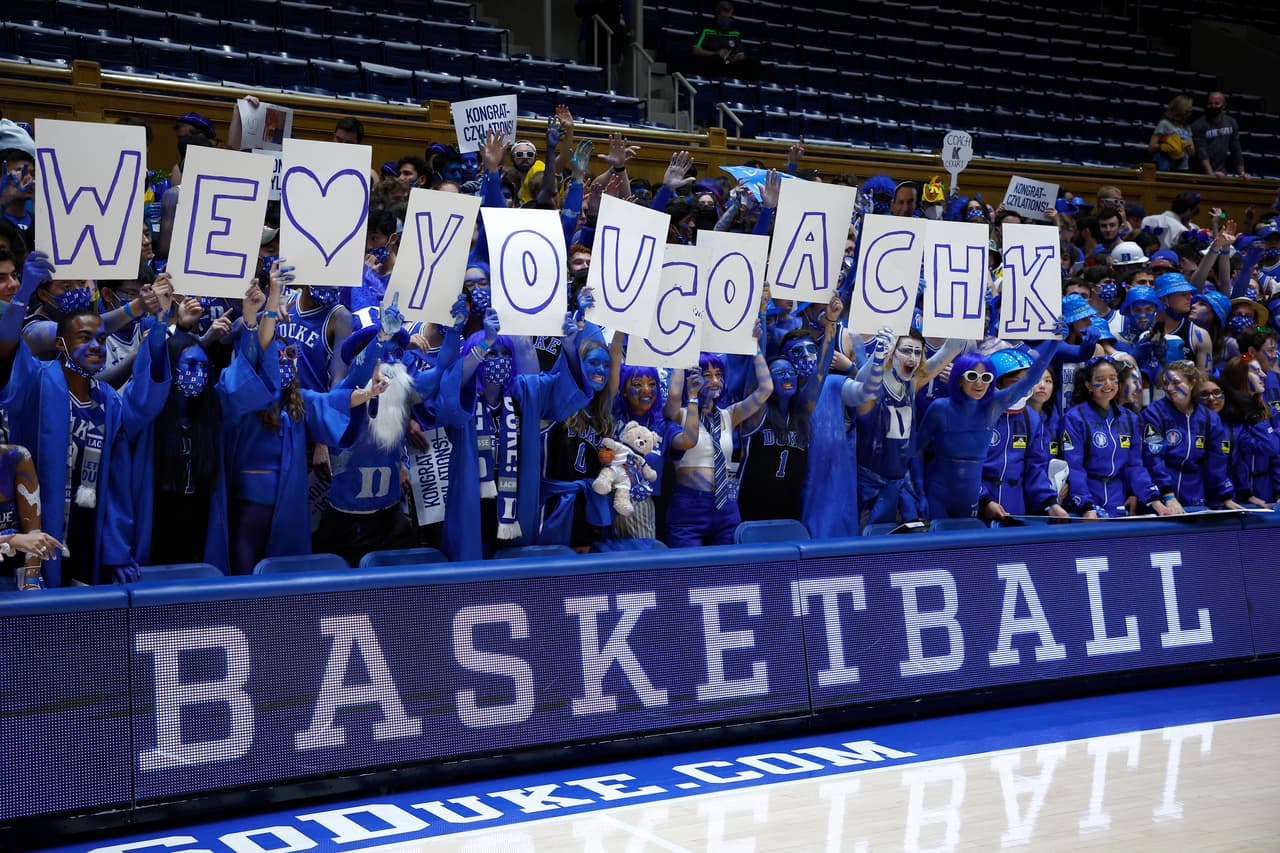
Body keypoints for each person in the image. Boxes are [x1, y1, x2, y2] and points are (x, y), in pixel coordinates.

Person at [0, 252, 166, 586]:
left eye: (101, 339)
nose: (95, 346)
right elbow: (6, 346)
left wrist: (160, 325)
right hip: (37, 534)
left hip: (89, 533)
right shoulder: (38, 382)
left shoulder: (108, 400)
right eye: (84, 338)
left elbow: (145, 403)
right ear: (60, 344)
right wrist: (21, 294)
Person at [218, 263, 390, 573]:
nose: (285, 363)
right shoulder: (246, 399)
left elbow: (333, 399)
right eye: (278, 358)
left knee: (285, 572)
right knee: (244, 572)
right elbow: (257, 350)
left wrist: (366, 393)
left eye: (290, 358)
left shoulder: (299, 405)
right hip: (246, 504)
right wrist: (270, 302)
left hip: (288, 507)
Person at [436, 307, 591, 561]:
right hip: (473, 502)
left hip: (517, 499)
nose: (499, 359)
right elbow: (449, 392)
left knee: (515, 569)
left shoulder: (525, 392)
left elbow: (566, 392)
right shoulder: (464, 396)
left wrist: (571, 349)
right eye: (491, 353)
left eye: (506, 353)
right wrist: (485, 341)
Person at [918, 340, 1060, 519]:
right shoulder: (940, 407)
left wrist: (1055, 343)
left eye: (985, 378)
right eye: (972, 376)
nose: (979, 383)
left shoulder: (994, 407)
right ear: (959, 378)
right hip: (940, 492)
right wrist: (918, 489)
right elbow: (917, 450)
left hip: (971, 497)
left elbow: (1029, 380)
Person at [1061, 356, 1173, 519]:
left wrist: (1154, 500)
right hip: (1089, 497)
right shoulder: (1075, 417)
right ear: (1089, 385)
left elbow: (1134, 465)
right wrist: (1086, 505)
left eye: (1113, 379)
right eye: (1100, 380)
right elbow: (1075, 466)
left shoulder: (1129, 418)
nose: (1108, 384)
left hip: (1117, 498)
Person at [979, 349, 1067, 521]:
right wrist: (983, 500)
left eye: (1026, 384)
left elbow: (1034, 467)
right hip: (978, 500)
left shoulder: (1031, 418)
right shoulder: (977, 415)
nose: (1022, 390)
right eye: (1014, 383)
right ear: (997, 384)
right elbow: (964, 469)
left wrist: (1050, 503)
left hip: (1015, 501)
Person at [1140, 361, 1238, 511]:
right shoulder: (1153, 413)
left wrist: (1225, 496)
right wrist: (1168, 496)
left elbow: (1217, 460)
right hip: (1161, 490)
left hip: (1195, 488)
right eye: (1166, 383)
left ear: (1192, 383)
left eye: (1176, 382)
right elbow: (1153, 458)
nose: (1169, 388)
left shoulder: (1210, 418)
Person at [1218, 357, 1280, 506]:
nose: (1264, 375)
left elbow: (1275, 453)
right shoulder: (1223, 415)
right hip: (1232, 494)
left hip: (1266, 489)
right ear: (1240, 376)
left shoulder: (1268, 412)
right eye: (1256, 371)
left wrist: (1279, 491)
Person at [691, 1, 760, 79]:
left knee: (753, 64)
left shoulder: (735, 32)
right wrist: (716, 53)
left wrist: (736, 58)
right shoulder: (706, 30)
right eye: (723, 17)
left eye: (728, 18)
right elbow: (696, 50)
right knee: (717, 60)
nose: (726, 21)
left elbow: (741, 55)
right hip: (713, 63)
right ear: (717, 15)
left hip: (730, 64)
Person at [1190, 91, 1248, 179]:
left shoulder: (1231, 122)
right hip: (1201, 173)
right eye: (1210, 104)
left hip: (1221, 172)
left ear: (1224, 105)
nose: (1213, 106)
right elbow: (1201, 152)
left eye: (1217, 104)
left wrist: (1242, 172)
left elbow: (1236, 149)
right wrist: (1211, 174)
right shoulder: (1198, 125)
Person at [1149, 95, 1196, 172]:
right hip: (1167, 167)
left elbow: (1192, 153)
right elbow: (1151, 147)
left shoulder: (1186, 127)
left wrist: (1187, 146)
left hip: (1183, 168)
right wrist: (1165, 146)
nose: (1190, 113)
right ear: (1181, 111)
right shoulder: (1164, 123)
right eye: (1188, 111)